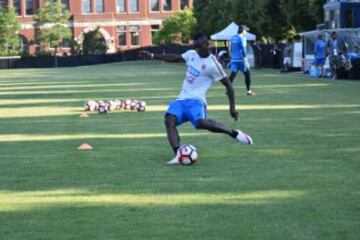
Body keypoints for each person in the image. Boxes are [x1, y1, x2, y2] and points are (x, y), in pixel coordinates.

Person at [140, 33, 253, 165]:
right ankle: (178, 154)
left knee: (201, 123)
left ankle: (234, 133)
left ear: (207, 44)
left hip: (196, 101)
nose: (197, 50)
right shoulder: (192, 54)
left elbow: (229, 86)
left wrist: (232, 108)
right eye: (195, 47)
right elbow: (175, 57)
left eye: (199, 47)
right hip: (181, 99)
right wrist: (154, 56)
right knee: (169, 120)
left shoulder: (213, 64)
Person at [229, 25, 255, 96]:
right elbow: (243, 49)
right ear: (243, 30)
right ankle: (249, 91)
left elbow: (231, 48)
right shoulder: (242, 38)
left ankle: (228, 90)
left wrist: (232, 56)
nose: (246, 32)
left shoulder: (233, 37)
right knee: (247, 74)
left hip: (234, 59)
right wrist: (245, 58)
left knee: (232, 75)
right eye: (246, 30)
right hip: (241, 60)